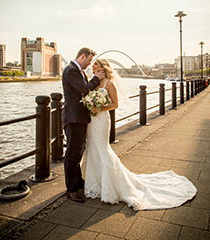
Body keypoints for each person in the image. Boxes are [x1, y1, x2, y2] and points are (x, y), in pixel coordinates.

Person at [81, 58, 197, 210]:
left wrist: (99, 108)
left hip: (101, 119)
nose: (92, 65)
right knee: (92, 147)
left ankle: (113, 184)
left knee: (102, 148)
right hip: (93, 121)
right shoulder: (94, 82)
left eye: (95, 63)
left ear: (103, 67)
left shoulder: (109, 83)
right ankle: (94, 183)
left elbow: (115, 104)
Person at [62, 47, 105, 203]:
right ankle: (71, 189)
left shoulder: (77, 71)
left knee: (78, 152)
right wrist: (97, 78)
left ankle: (78, 182)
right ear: (82, 57)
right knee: (72, 154)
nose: (89, 64)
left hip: (78, 118)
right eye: (88, 60)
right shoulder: (71, 71)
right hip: (73, 119)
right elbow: (84, 89)